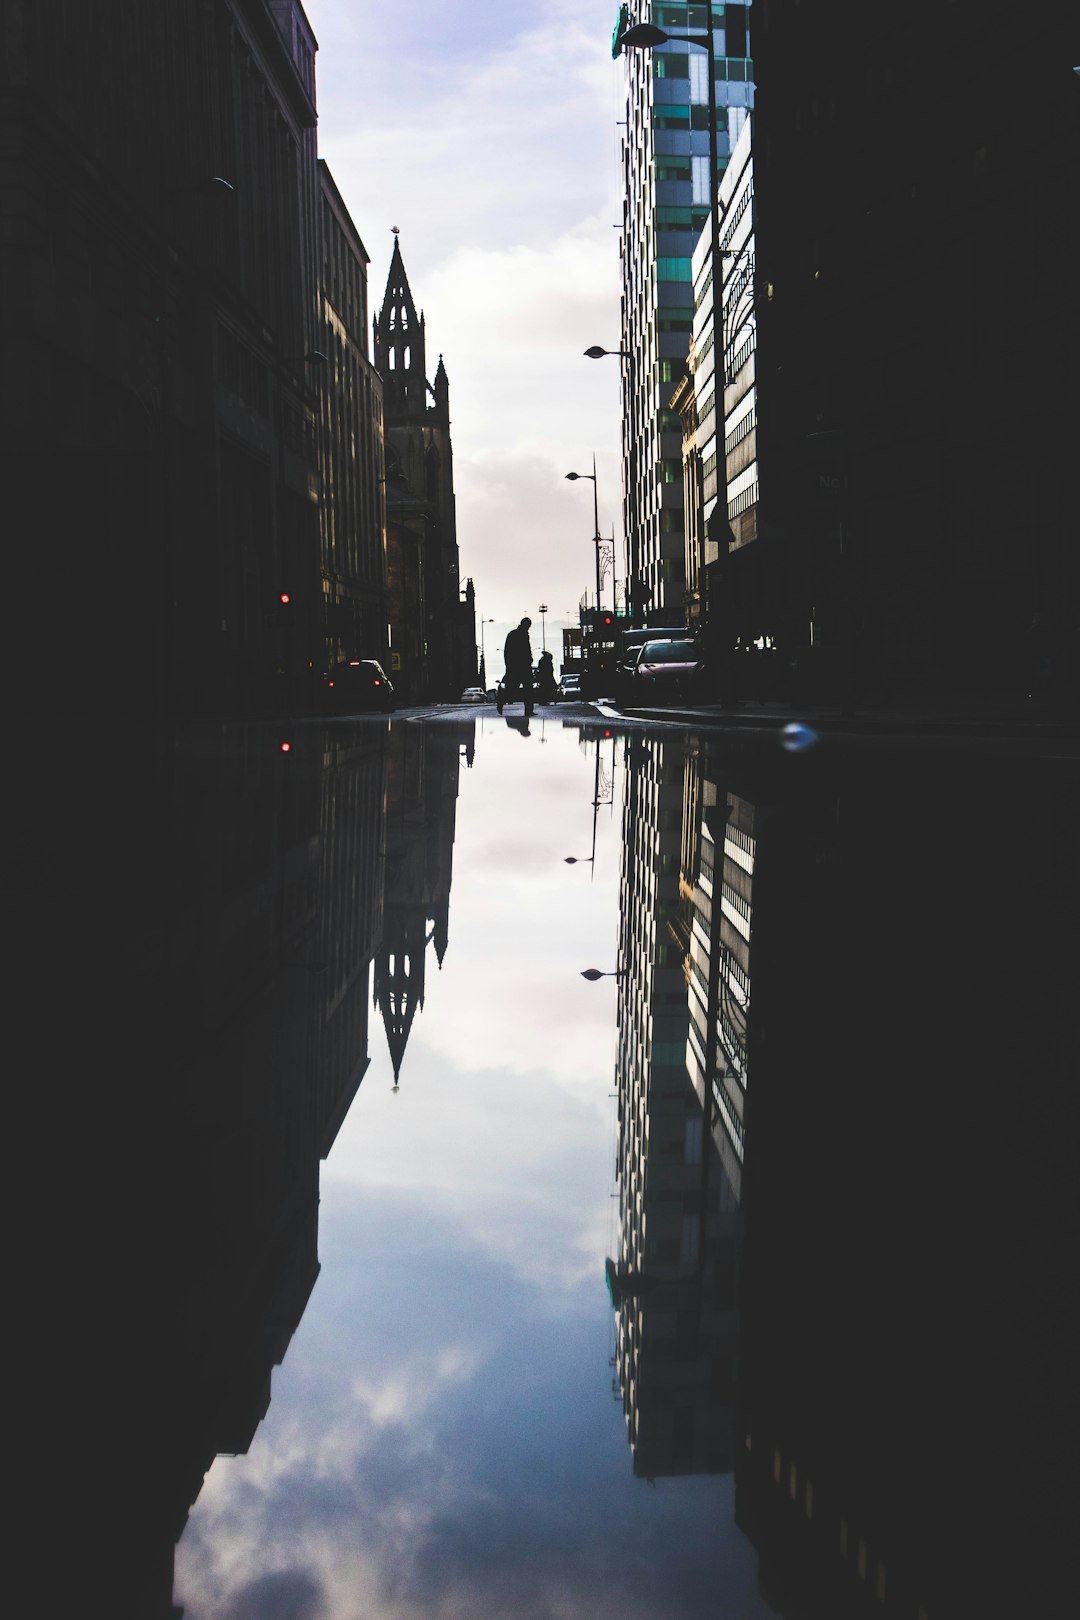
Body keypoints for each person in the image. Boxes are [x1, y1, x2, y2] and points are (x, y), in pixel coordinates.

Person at [498, 617, 534, 716]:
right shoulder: (515, 634)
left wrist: (530, 659)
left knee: (527, 688)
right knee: (514, 688)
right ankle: (501, 700)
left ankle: (529, 710)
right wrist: (510, 666)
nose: (528, 627)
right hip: (518, 666)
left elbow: (526, 650)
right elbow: (510, 652)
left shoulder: (517, 634)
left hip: (522, 666)